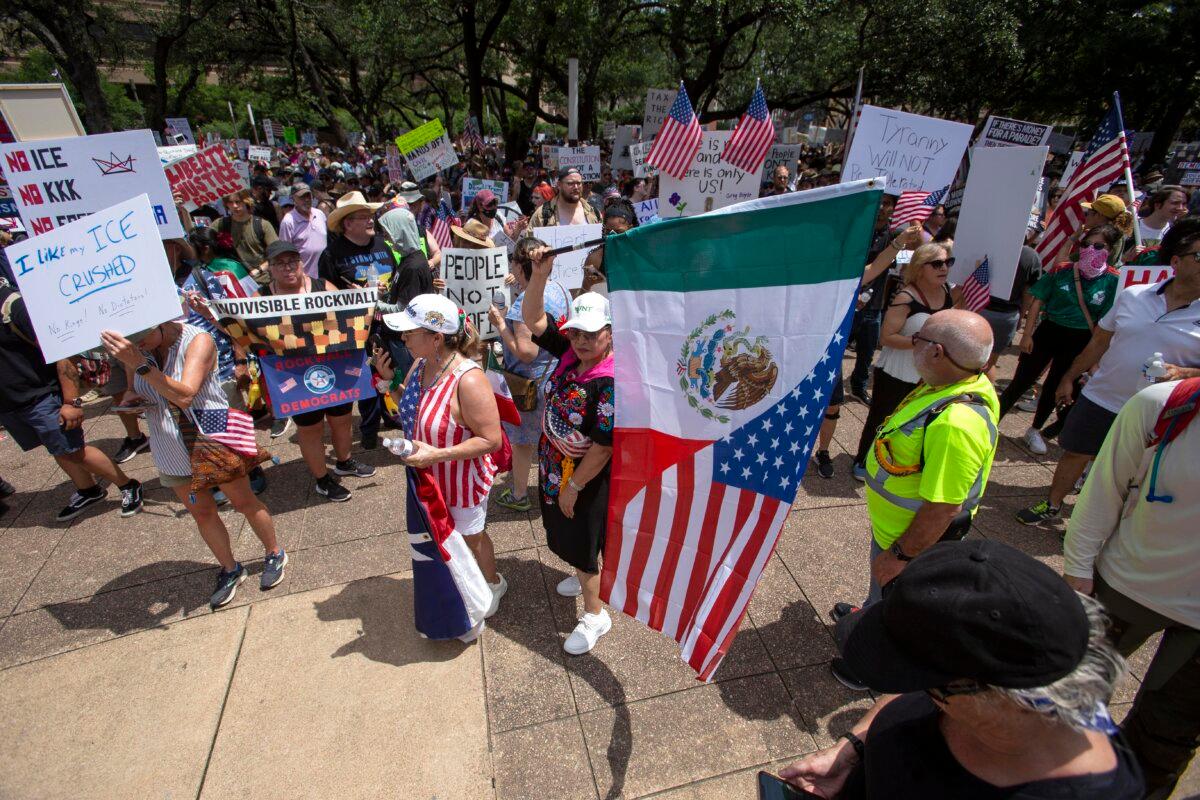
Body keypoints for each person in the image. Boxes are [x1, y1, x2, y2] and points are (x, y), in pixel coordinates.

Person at [782, 540, 1143, 799]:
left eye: (931, 686)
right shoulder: (976, 681)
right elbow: (915, 688)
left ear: (999, 695)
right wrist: (854, 748)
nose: (921, 691)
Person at [832, 310, 999, 690]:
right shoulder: (953, 381)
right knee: (882, 594)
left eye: (919, 338)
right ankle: (869, 614)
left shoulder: (957, 423)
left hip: (912, 543)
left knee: (899, 609)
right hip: (894, 531)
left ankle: (869, 666)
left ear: (938, 352)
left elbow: (943, 508)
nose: (913, 343)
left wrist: (900, 557)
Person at [1063, 378, 1199, 798]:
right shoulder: (1162, 406)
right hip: (1126, 589)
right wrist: (1078, 569)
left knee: (1165, 742)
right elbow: (1104, 490)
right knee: (1063, 701)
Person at [1017, 218, 1200, 525]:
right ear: (1176, 262)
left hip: (1156, 411)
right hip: (1102, 396)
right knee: (1075, 453)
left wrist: (1182, 372)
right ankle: (1051, 505)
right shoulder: (1134, 295)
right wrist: (1069, 377)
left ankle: (1089, 522)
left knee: (1125, 471)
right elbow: (1100, 340)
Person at [99, 322, 286, 609]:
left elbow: (186, 395)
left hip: (210, 434)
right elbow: (131, 388)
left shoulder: (197, 340)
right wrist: (131, 398)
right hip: (167, 441)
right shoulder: (135, 350)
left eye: (141, 338)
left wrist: (139, 364)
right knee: (202, 512)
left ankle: (274, 552)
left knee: (243, 501)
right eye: (132, 342)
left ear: (160, 322)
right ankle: (230, 568)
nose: (139, 345)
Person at [384, 294, 506, 618]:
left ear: (436, 337)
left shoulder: (469, 379)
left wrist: (438, 454)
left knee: (471, 539)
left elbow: (492, 439)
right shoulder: (421, 364)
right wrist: (386, 384)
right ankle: (463, 586)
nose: (403, 338)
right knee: (443, 541)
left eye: (410, 332)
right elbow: (410, 406)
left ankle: (493, 582)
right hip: (429, 478)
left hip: (461, 482)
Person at [523, 249, 616, 654]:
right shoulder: (570, 351)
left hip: (585, 476)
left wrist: (574, 486)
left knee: (581, 534)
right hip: (553, 463)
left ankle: (595, 614)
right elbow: (533, 320)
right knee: (563, 528)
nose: (580, 341)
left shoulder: (609, 382)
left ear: (610, 332)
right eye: (576, 332)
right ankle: (582, 573)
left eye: (591, 334)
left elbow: (603, 446)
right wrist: (538, 277)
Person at [0, 279, 143, 522]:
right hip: (12, 402)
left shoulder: (14, 306)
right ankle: (88, 490)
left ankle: (128, 485)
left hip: (40, 395)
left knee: (75, 450)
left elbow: (62, 351)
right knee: (57, 447)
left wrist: (70, 402)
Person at [260, 241, 376, 501]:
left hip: (334, 366)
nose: (288, 267)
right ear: (271, 268)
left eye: (292, 261)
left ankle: (344, 462)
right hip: (295, 374)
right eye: (280, 263)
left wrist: (365, 297)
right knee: (310, 428)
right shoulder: (261, 297)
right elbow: (246, 331)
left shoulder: (324, 287)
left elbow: (349, 319)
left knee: (343, 419)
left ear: (301, 263)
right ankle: (323, 480)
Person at [997, 225, 1120, 455]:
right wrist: (1027, 334)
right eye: (1085, 245)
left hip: (1080, 338)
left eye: (1098, 246)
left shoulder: (1113, 281)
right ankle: (993, 421)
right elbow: (1038, 301)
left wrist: (1096, 356)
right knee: (1022, 380)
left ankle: (1035, 429)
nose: (1090, 250)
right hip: (1049, 331)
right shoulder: (1062, 271)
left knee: (1056, 385)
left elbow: (1106, 320)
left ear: (1111, 250)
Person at [851, 242, 961, 480]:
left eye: (948, 263)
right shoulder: (906, 296)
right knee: (881, 418)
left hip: (929, 375)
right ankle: (863, 459)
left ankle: (894, 460)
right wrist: (919, 341)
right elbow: (886, 337)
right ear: (921, 268)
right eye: (937, 264)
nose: (944, 268)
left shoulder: (948, 293)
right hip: (897, 372)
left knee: (914, 421)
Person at [489, 237, 573, 512]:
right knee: (556, 438)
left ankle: (519, 495)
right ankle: (563, 487)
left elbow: (526, 352)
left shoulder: (522, 305)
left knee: (523, 442)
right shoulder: (560, 289)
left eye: (513, 260)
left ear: (518, 264)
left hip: (531, 385)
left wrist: (501, 324)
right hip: (557, 375)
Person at [320, 191, 398, 450]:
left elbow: (394, 279)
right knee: (365, 377)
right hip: (355, 328)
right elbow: (324, 296)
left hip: (385, 322)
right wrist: (347, 296)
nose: (370, 221)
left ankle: (391, 413)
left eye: (370, 216)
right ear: (347, 224)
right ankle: (369, 426)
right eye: (363, 217)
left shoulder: (381, 245)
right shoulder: (332, 254)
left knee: (389, 370)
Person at [979, 228, 1042, 382]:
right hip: (1006, 316)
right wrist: (1021, 314)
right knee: (990, 363)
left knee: (970, 358)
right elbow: (1029, 292)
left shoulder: (988, 247)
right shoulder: (1030, 256)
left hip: (981, 309)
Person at [215, 189, 277, 282]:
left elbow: (276, 254)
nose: (234, 206)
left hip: (262, 281)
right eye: (230, 203)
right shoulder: (221, 223)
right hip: (235, 282)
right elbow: (200, 238)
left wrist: (259, 270)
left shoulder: (263, 225)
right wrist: (185, 210)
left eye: (238, 202)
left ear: (246, 201)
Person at [581, 198, 637, 296]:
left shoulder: (641, 254)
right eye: (608, 232)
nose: (612, 237)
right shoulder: (594, 260)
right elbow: (585, 295)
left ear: (631, 228)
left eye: (619, 232)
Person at [277, 182, 328, 279]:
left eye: (308, 196)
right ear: (293, 199)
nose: (307, 199)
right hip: (303, 278)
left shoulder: (320, 214)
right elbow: (284, 253)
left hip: (324, 276)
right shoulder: (288, 221)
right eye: (302, 197)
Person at [531, 167, 602, 227]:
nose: (576, 187)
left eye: (579, 183)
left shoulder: (594, 213)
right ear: (559, 185)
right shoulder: (541, 215)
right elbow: (529, 242)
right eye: (570, 183)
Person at [1134, 184, 1188, 249]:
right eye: (1175, 203)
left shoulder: (1175, 233)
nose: (1180, 208)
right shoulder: (1132, 226)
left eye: (1184, 204)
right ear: (1157, 205)